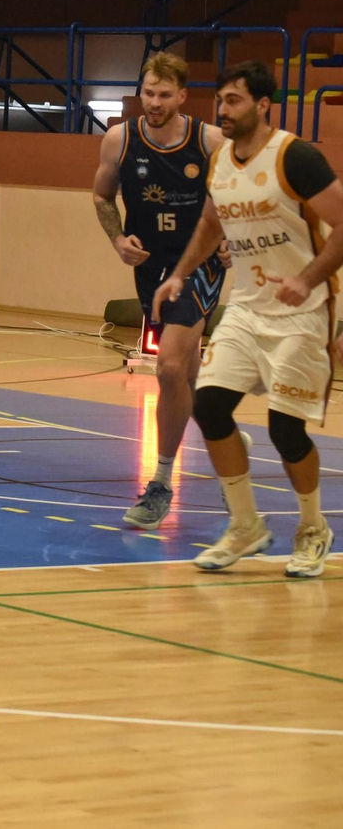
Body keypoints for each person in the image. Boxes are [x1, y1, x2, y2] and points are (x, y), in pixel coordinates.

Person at [154, 60, 342, 578]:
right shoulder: (220, 162)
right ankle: (245, 525)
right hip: (246, 306)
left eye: (233, 100)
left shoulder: (296, 156)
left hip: (303, 312)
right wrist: (180, 274)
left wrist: (306, 277)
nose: (223, 110)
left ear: (262, 105)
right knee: (210, 407)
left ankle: (312, 529)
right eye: (220, 100)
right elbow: (212, 223)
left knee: (286, 430)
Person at [93, 51, 228, 529]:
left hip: (198, 264)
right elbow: (101, 196)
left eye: (164, 94)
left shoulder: (208, 140)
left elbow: (238, 196)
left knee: (168, 366)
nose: (153, 102)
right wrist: (116, 239)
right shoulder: (119, 140)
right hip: (151, 268)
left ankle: (161, 484)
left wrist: (230, 238)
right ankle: (223, 435)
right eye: (148, 92)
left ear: (182, 97)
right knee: (183, 378)